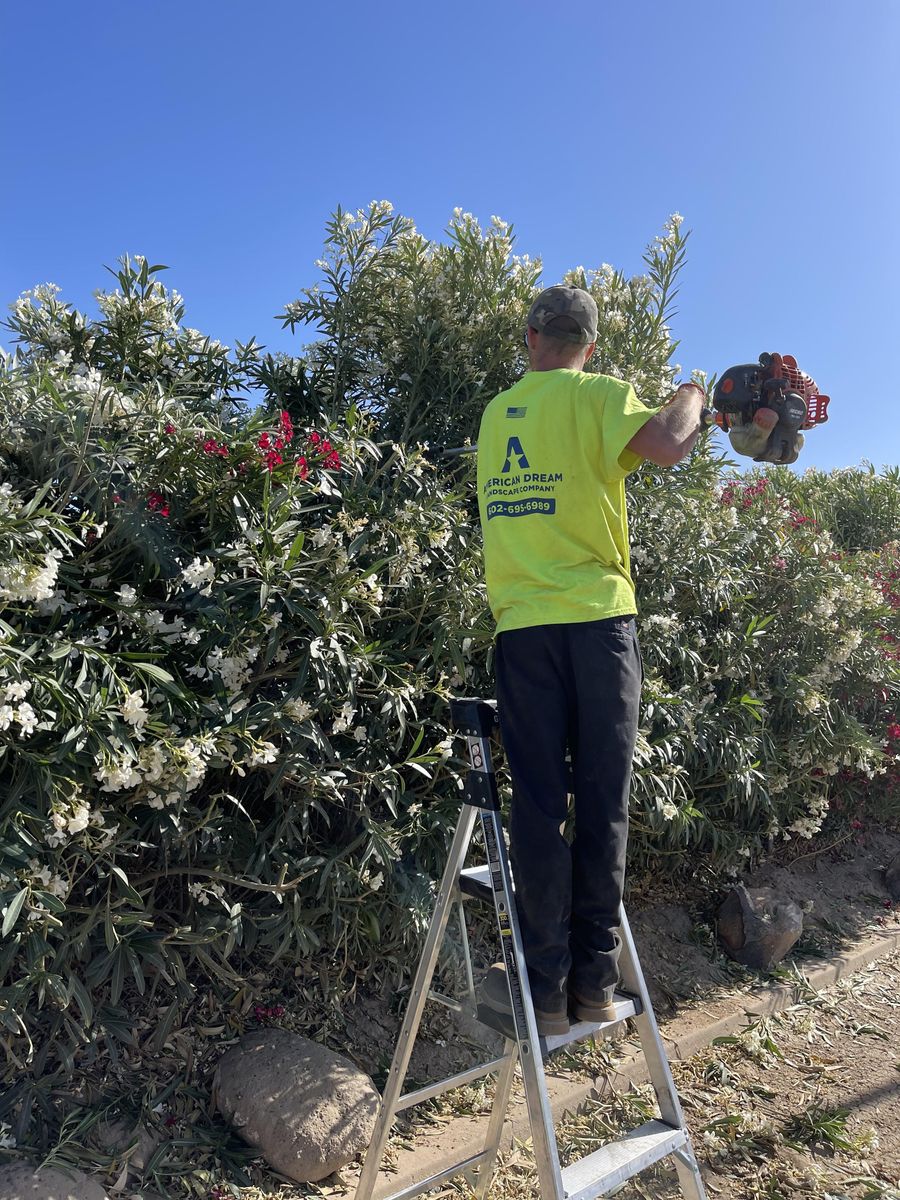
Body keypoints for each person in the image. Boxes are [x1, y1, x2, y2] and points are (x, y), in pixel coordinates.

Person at [475, 284, 706, 1036]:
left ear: (530, 336)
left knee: (539, 808)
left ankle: (543, 993)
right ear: (590, 344)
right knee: (603, 802)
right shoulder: (601, 394)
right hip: (600, 625)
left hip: (523, 631)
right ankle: (594, 986)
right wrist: (694, 391)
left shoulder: (495, 413)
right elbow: (671, 444)